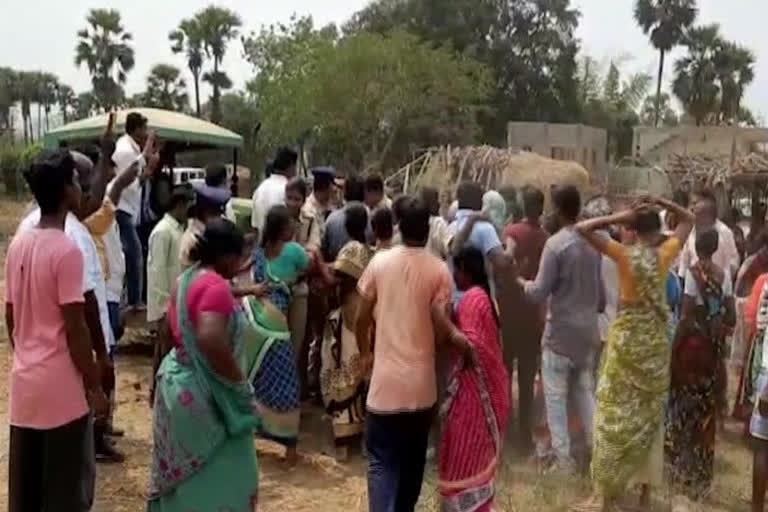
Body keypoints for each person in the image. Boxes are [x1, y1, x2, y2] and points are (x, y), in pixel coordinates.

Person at [574, 197, 693, 512]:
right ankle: (644, 498)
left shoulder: (624, 256)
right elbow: (689, 218)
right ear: (657, 230)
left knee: (613, 417)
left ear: (632, 229)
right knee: (649, 421)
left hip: (626, 347)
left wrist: (619, 216)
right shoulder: (665, 254)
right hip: (654, 348)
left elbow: (582, 227)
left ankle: (604, 495)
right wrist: (665, 202)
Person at [6, 150, 109, 512]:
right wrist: (94, 385)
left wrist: (26, 353)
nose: (82, 188)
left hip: (25, 384)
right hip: (60, 390)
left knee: (27, 488)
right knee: (65, 490)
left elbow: (11, 315)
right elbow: (76, 328)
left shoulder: (19, 243)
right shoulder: (66, 251)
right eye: (78, 181)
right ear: (66, 190)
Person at [356, 197, 467, 512]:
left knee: (381, 462)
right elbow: (442, 328)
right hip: (422, 387)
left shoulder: (379, 262)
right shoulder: (439, 271)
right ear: (429, 228)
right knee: (413, 461)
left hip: (384, 386)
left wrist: (366, 354)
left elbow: (360, 318)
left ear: (400, 228)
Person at [148, 219, 259, 511]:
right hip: (207, 396)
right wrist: (238, 384)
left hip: (176, 385)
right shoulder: (217, 286)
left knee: (186, 485)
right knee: (228, 472)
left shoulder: (185, 280)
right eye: (238, 259)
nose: (240, 265)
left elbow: (167, 333)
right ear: (226, 257)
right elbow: (210, 338)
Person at [518, 185, 603, 473]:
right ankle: (598, 450)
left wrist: (520, 282)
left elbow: (539, 291)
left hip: (560, 333)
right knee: (584, 392)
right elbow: (602, 298)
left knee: (555, 398)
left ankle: (563, 461)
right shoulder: (595, 244)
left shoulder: (555, 245)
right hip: (587, 330)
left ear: (556, 208)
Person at [438, 246, 510, 512]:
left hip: (476, 399)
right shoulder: (481, 297)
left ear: (465, 271)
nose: (453, 275)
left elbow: (472, 346)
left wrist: (442, 321)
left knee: (465, 456)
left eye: (456, 269)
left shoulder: (473, 298)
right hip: (481, 393)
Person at [667, 229, 735, 500]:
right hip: (712, 350)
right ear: (716, 246)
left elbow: (685, 314)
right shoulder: (724, 274)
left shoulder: (693, 274)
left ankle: (682, 471)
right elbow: (731, 315)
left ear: (696, 246)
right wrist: (716, 317)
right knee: (706, 412)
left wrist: (673, 350)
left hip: (692, 348)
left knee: (684, 410)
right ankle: (702, 477)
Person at [245, 204, 310, 465]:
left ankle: (252, 435)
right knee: (287, 384)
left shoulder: (258, 254)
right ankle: (290, 449)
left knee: (256, 380)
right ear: (284, 229)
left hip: (256, 326)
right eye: (291, 224)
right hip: (276, 327)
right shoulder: (294, 251)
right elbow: (309, 266)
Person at [320, 205, 374, 459]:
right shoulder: (368, 251)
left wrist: (318, 264)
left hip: (350, 314)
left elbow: (335, 279)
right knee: (361, 373)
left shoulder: (352, 249)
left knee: (344, 369)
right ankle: (361, 432)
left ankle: (343, 434)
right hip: (365, 315)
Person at [503, 186, 548, 453]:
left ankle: (506, 426)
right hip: (534, 313)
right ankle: (524, 433)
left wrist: (513, 271)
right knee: (528, 373)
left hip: (511, 312)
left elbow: (507, 257)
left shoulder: (513, 233)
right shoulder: (547, 237)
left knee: (506, 371)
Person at [111, 112, 156, 310]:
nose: (145, 133)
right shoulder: (125, 151)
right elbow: (129, 182)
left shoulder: (131, 148)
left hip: (127, 208)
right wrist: (147, 153)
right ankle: (134, 300)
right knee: (134, 252)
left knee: (130, 253)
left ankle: (131, 298)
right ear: (136, 129)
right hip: (121, 207)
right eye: (144, 129)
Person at [147, 186, 193, 326]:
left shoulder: (179, 230)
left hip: (177, 303)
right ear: (179, 206)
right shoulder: (163, 231)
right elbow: (157, 272)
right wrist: (165, 308)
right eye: (188, 209)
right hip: (166, 309)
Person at [679, 189, 740, 281]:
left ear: (708, 204)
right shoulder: (690, 232)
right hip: (692, 287)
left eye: (695, 203)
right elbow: (684, 264)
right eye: (691, 204)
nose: (691, 208)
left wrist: (720, 283)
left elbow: (733, 263)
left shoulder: (724, 232)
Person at [179, 183, 231, 269]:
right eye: (217, 214)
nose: (221, 218)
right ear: (206, 213)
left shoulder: (209, 233)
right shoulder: (193, 240)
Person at [251, 147, 298, 240]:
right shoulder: (289, 191)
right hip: (282, 249)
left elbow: (255, 228)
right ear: (291, 167)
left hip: (263, 249)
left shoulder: (260, 189)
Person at [323, 175, 366, 262]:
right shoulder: (374, 217)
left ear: (344, 192)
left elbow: (325, 248)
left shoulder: (332, 219)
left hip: (337, 269)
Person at [421, 186, 451, 259]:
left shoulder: (415, 219)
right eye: (439, 198)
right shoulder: (439, 223)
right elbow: (447, 248)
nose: (440, 201)